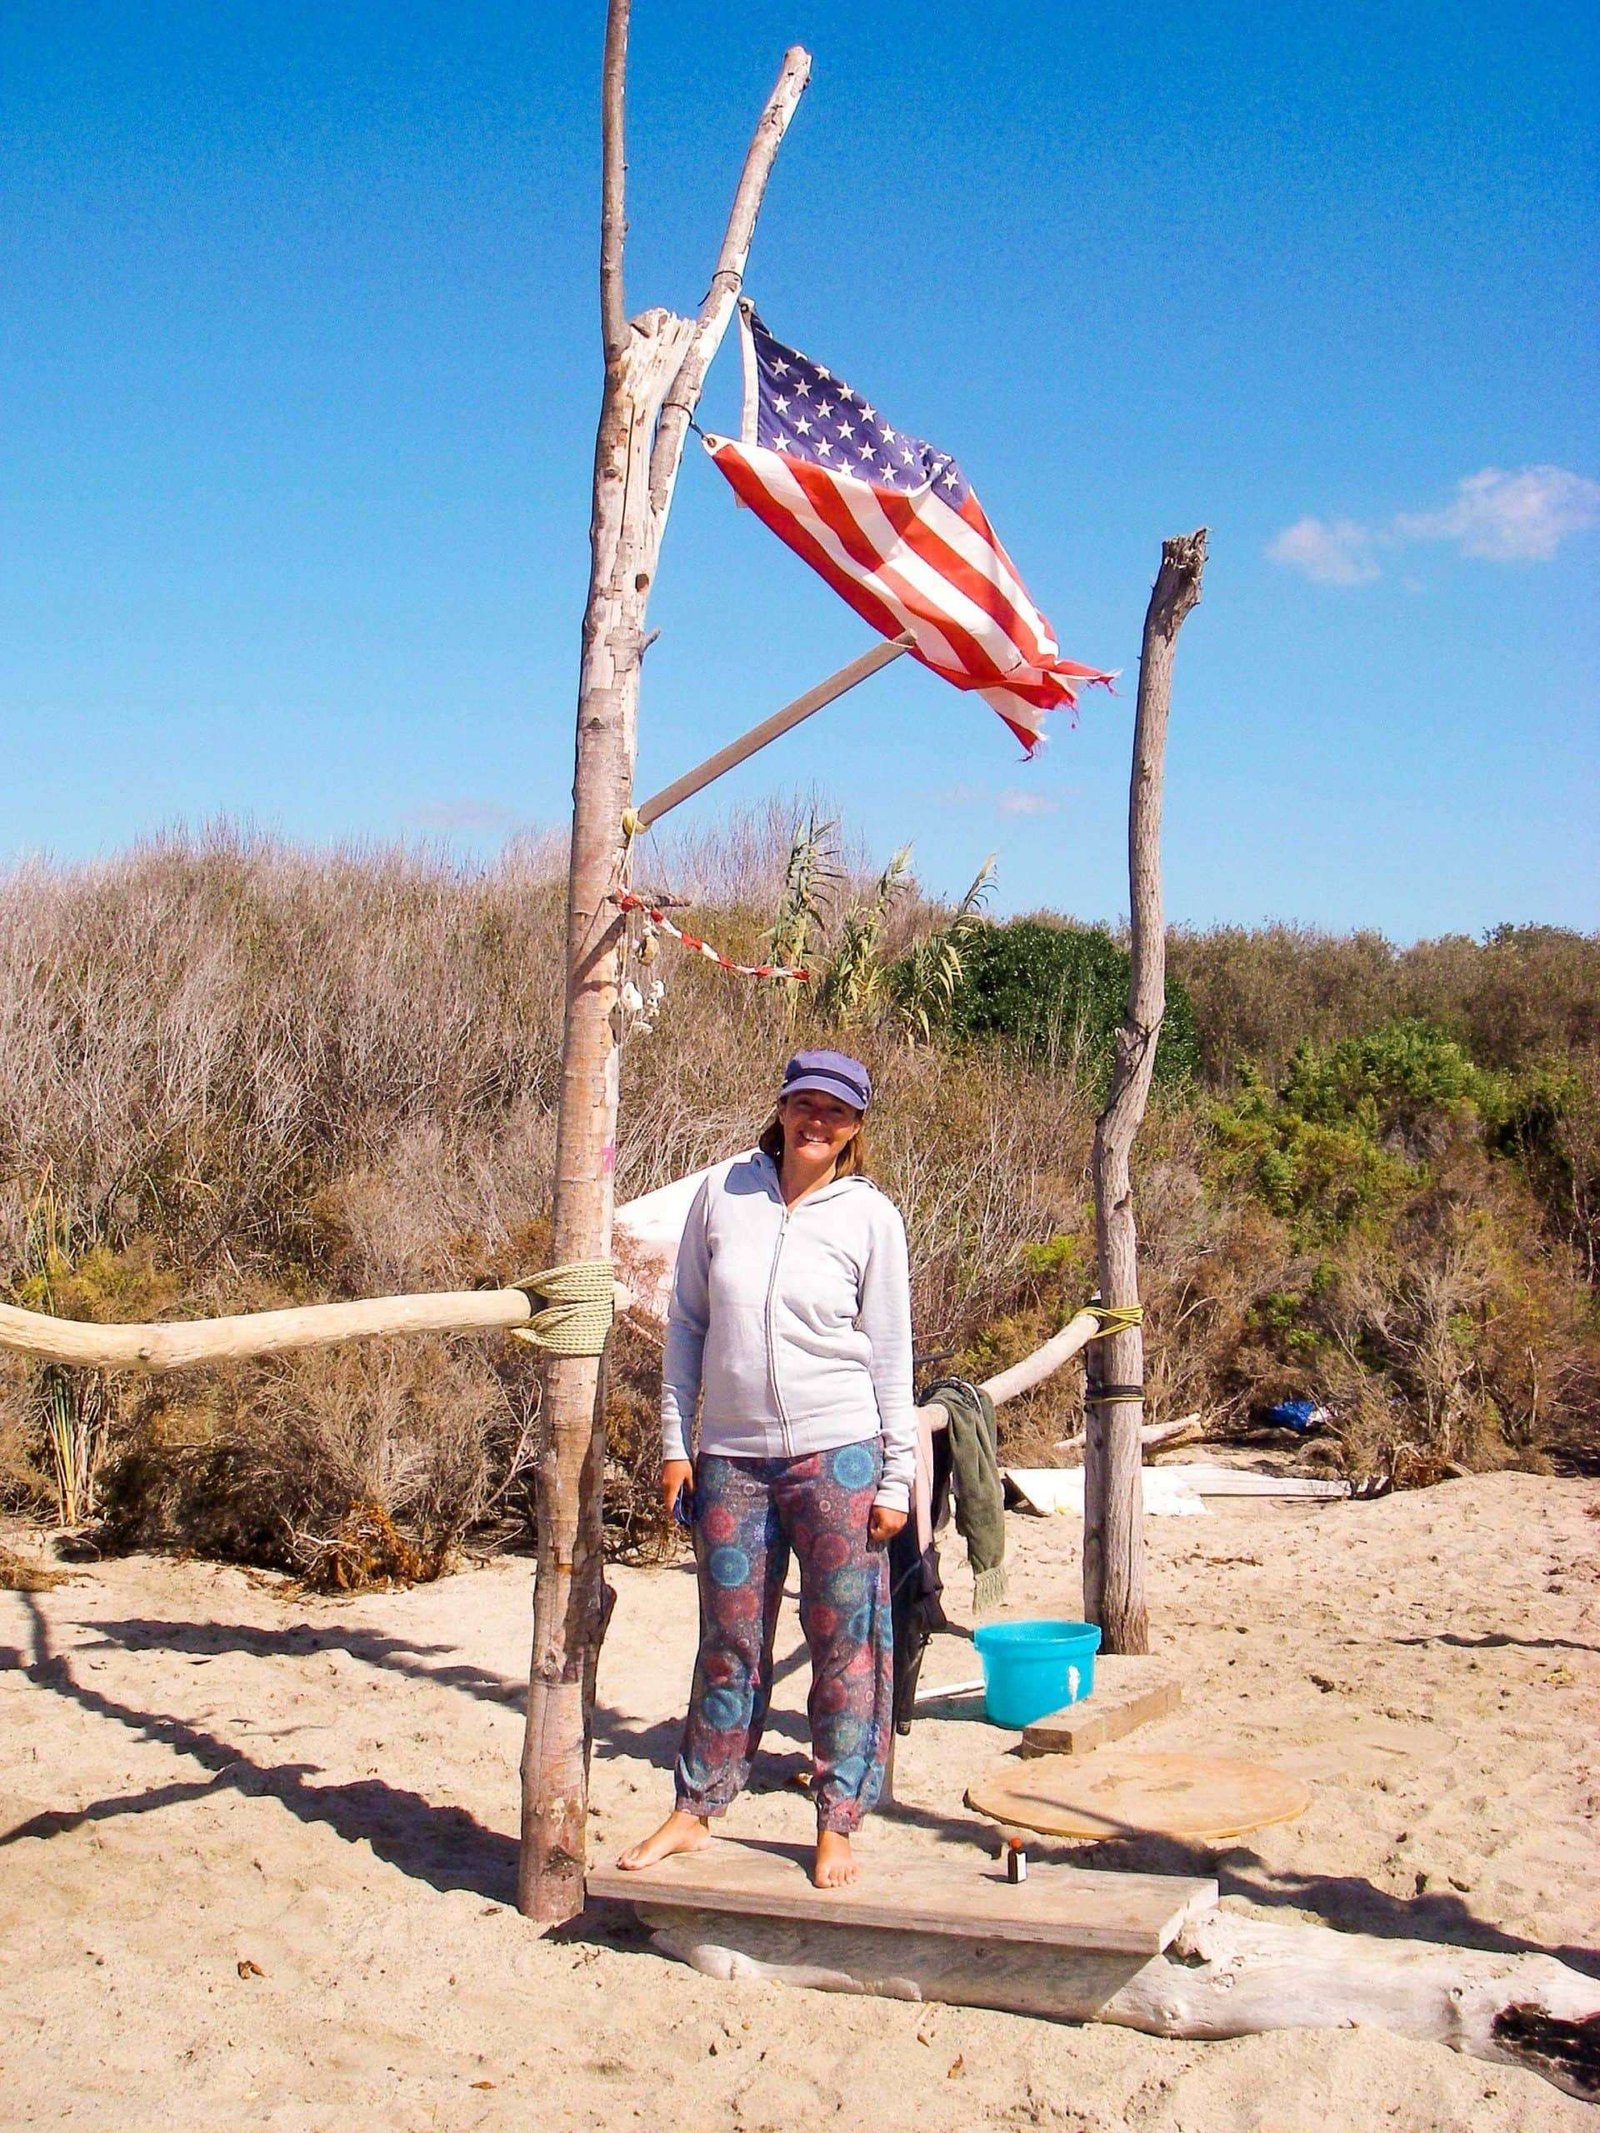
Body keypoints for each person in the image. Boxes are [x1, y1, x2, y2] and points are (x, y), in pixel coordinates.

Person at [617, 1048, 915, 1889]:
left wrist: (897, 1478)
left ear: (855, 1127)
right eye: (804, 1104)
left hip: (839, 1455)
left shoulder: (871, 1217)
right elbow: (686, 1323)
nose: (817, 1121)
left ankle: (836, 1818)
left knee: (844, 1643)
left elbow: (892, 1353)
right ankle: (697, 1806)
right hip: (732, 1460)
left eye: (836, 1111)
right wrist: (676, 1442)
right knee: (728, 1639)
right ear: (781, 1108)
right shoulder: (724, 1193)